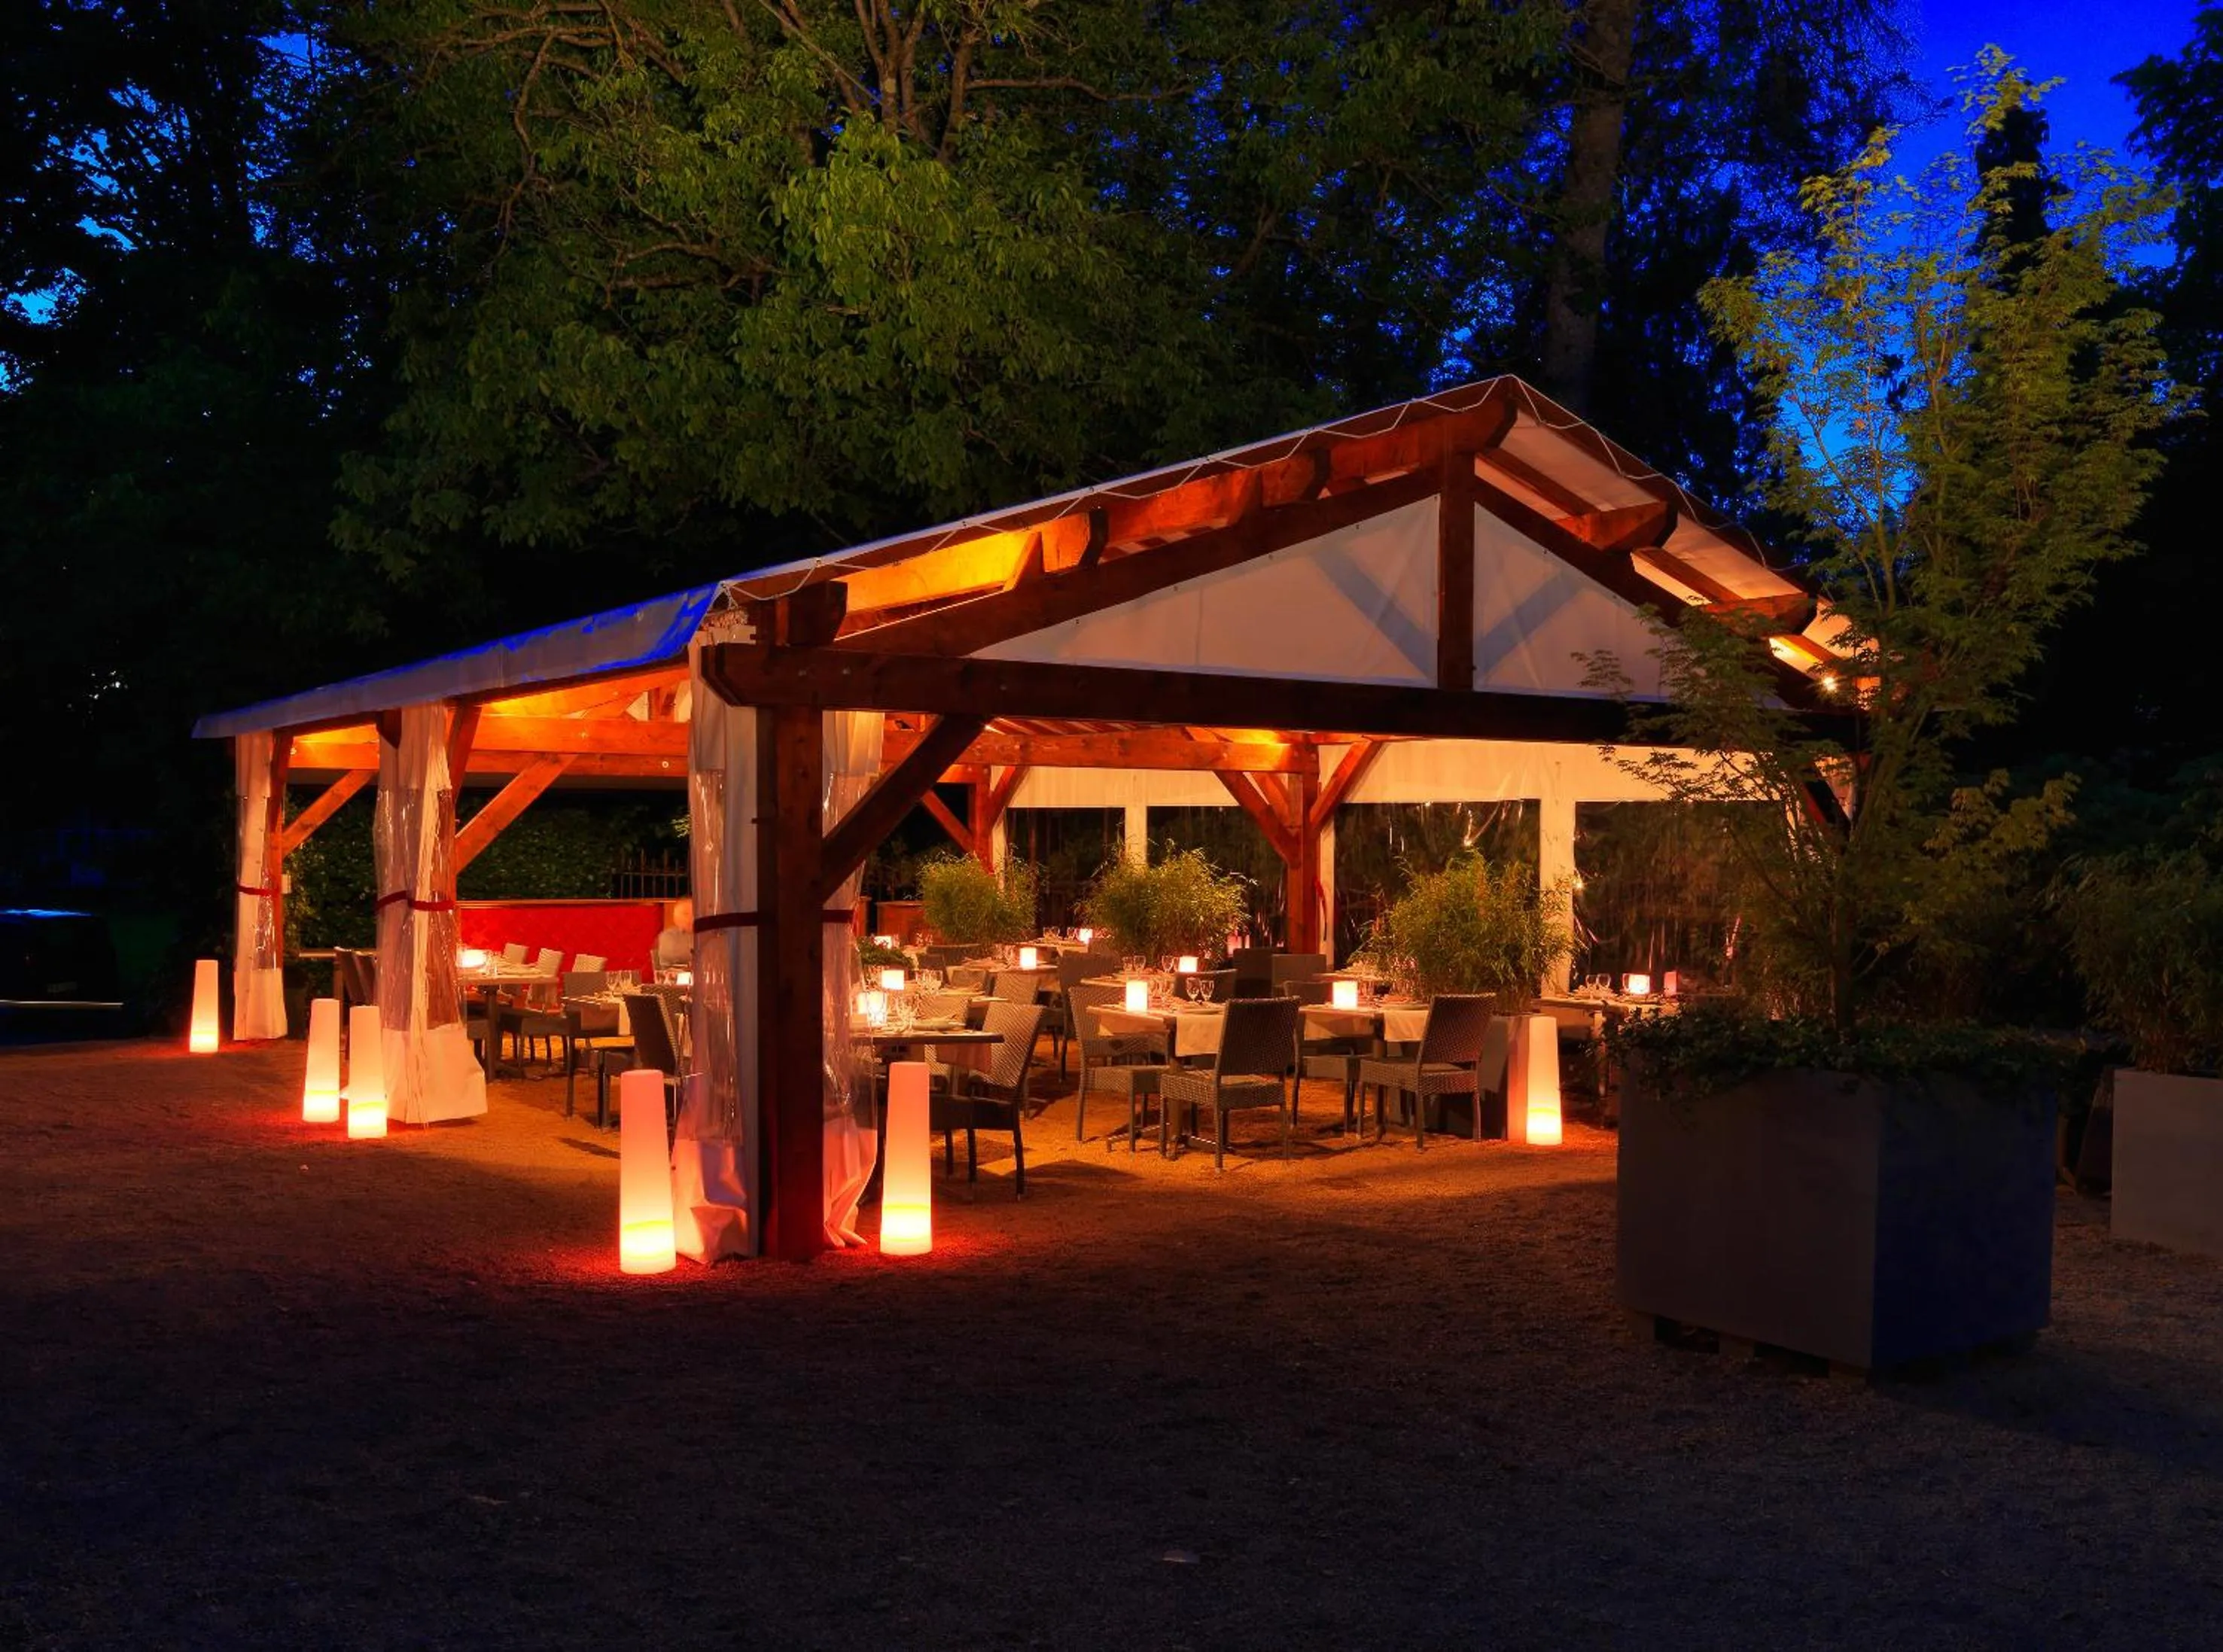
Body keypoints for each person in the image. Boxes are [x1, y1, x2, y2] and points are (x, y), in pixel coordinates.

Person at [653, 898, 694, 970]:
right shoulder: (668, 936)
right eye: (686, 914)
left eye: (695, 913)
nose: (691, 917)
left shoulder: (708, 934)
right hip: (674, 978)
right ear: (676, 917)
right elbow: (672, 956)